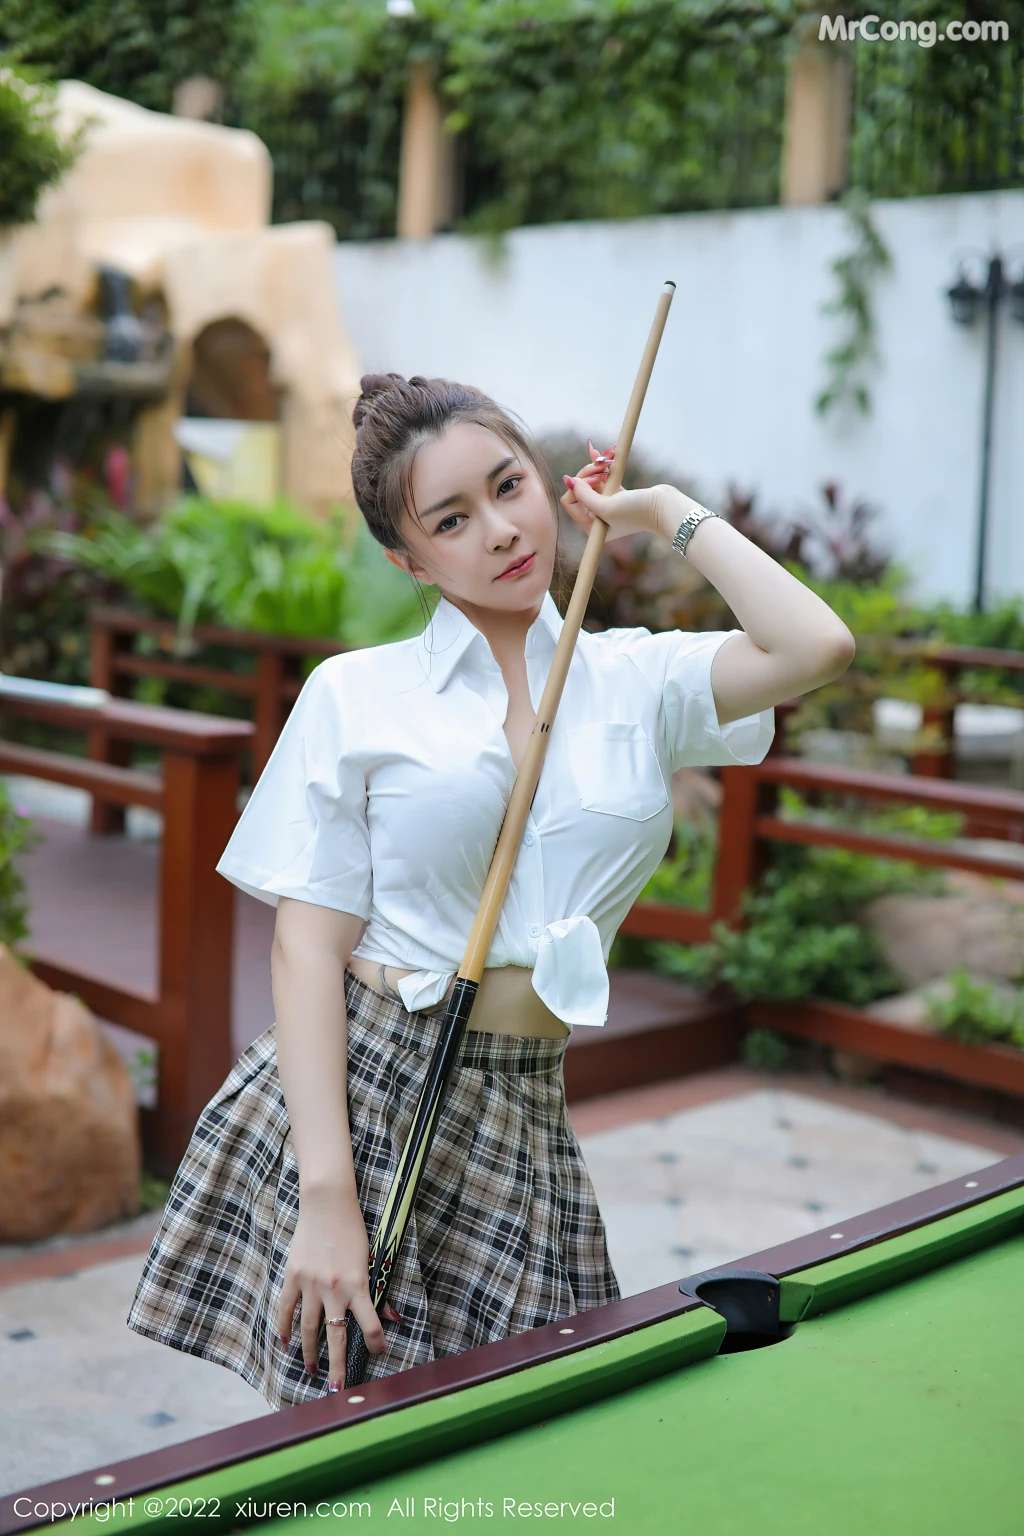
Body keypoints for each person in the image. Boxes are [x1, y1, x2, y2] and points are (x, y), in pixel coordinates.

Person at [126, 372, 855, 1408]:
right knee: (358, 1438)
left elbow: (817, 646)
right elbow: (305, 948)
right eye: (452, 519)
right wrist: (329, 1197)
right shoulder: (357, 695)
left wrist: (660, 513)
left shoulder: (637, 680)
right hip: (370, 1094)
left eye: (509, 487)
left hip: (525, 1097)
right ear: (408, 560)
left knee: (544, 1424)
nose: (501, 530)